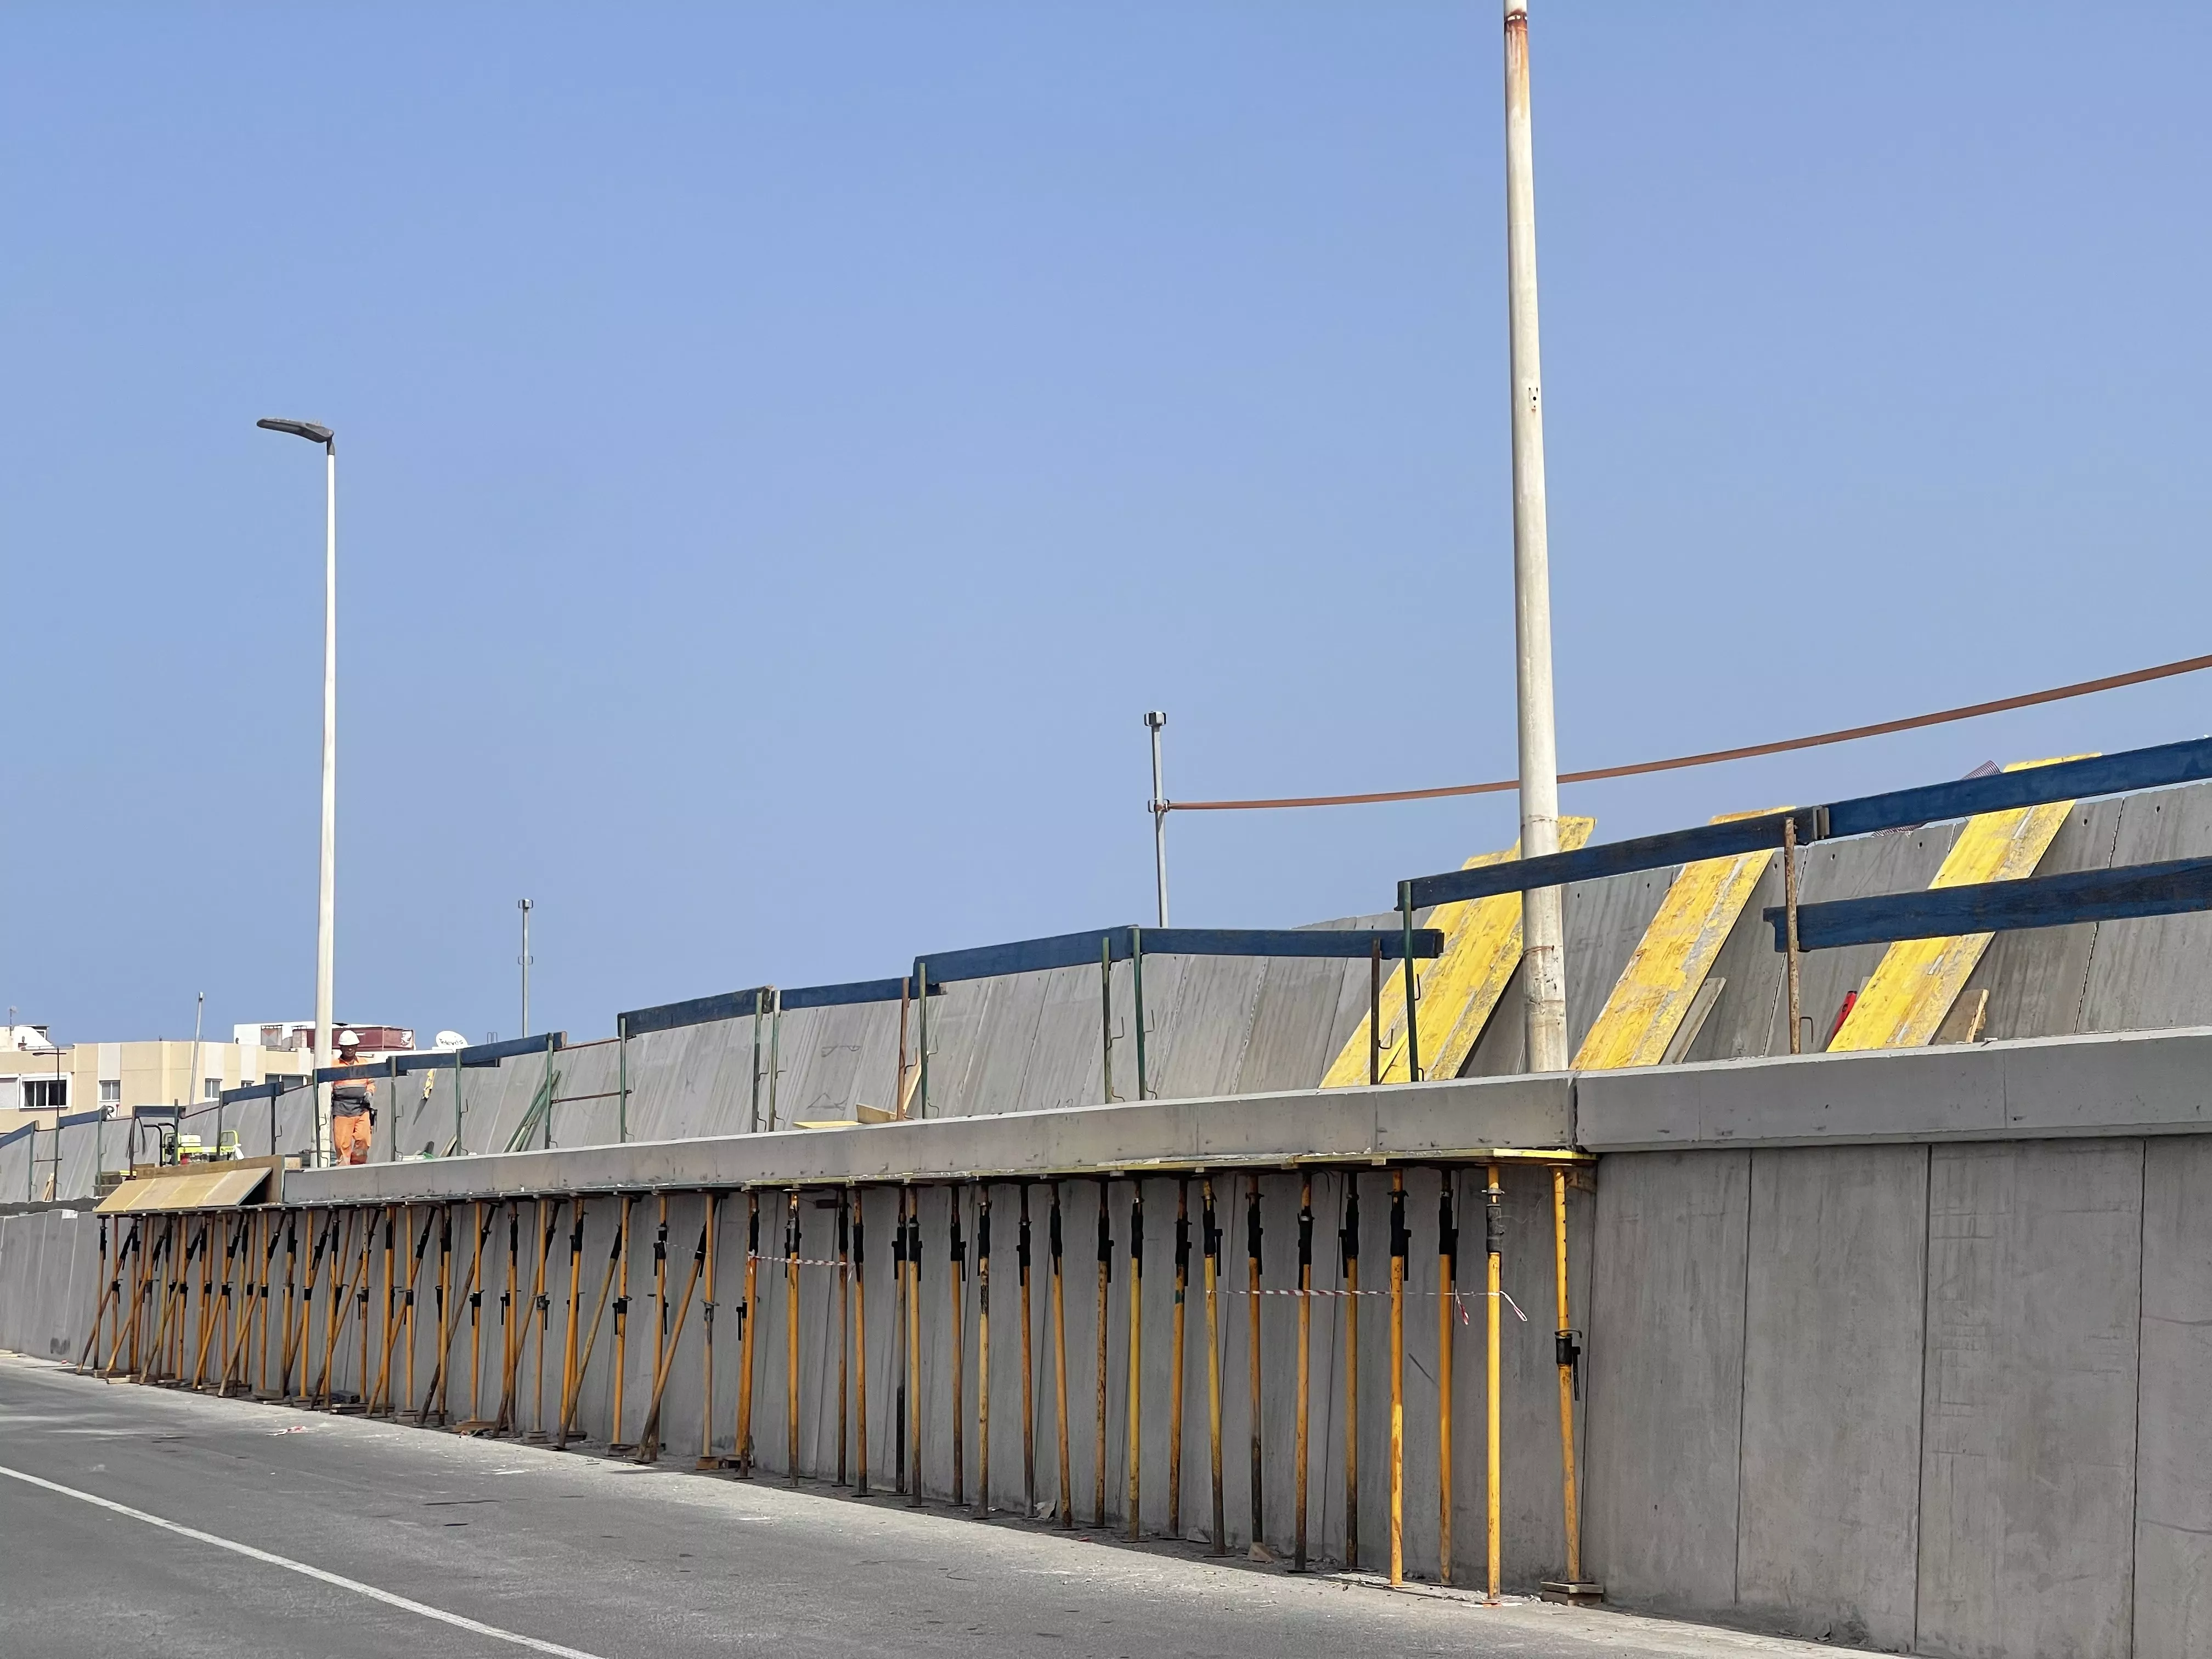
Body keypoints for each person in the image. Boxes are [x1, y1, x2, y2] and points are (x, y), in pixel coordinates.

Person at [330, 1030, 377, 1166]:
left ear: (357, 1047)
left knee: (363, 1139)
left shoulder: (364, 1063)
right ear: (341, 1047)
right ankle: (344, 1170)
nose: (350, 1049)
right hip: (342, 1110)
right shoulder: (334, 1066)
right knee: (342, 1144)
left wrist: (369, 1093)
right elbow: (328, 1087)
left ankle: (358, 1166)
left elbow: (371, 1083)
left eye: (352, 1046)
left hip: (361, 1109)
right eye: (347, 1046)